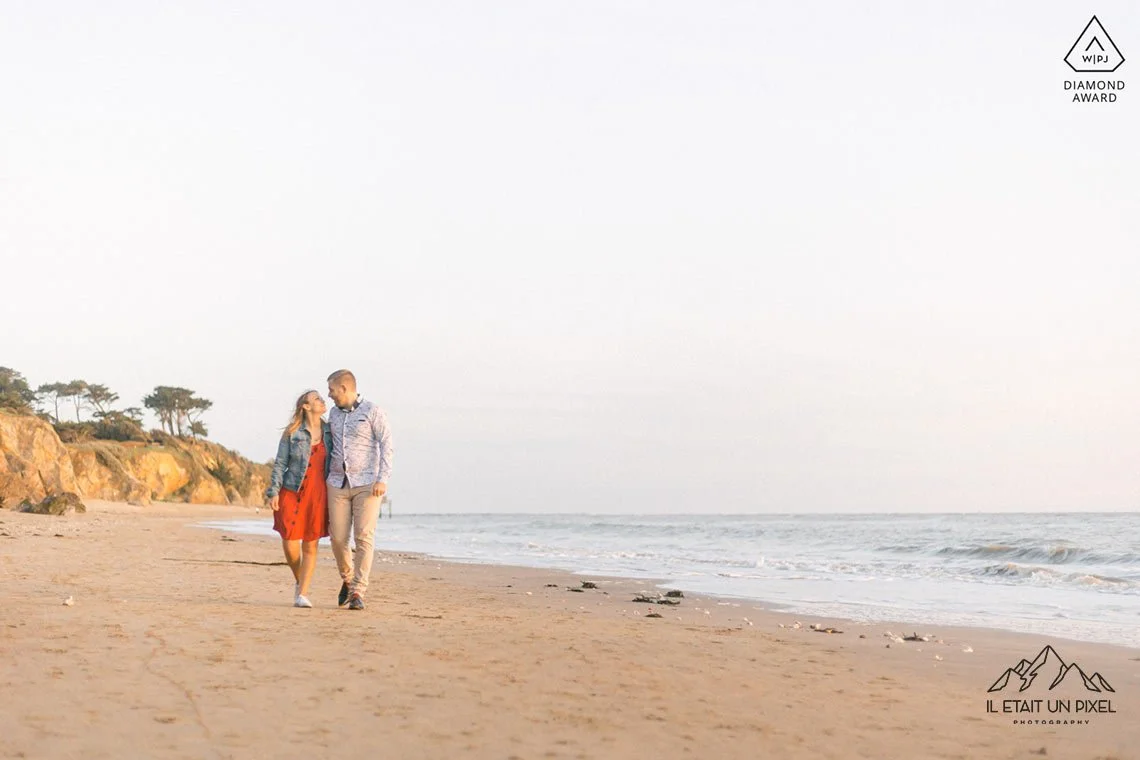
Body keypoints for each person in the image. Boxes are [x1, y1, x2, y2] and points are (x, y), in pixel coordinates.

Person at [326, 369, 394, 611]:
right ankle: (347, 578)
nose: (329, 395)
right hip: (336, 482)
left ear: (344, 388)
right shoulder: (333, 414)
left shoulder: (372, 411)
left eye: (332, 390)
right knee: (337, 538)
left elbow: (387, 444)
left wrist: (382, 478)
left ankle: (357, 591)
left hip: (367, 484)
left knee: (364, 536)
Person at [265, 390, 332, 608]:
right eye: (317, 399)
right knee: (290, 541)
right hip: (291, 490)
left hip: (318, 494)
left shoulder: (330, 431)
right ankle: (299, 579)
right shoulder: (292, 432)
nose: (323, 401)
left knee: (311, 545)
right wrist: (273, 491)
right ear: (305, 406)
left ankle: (302, 593)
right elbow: (280, 463)